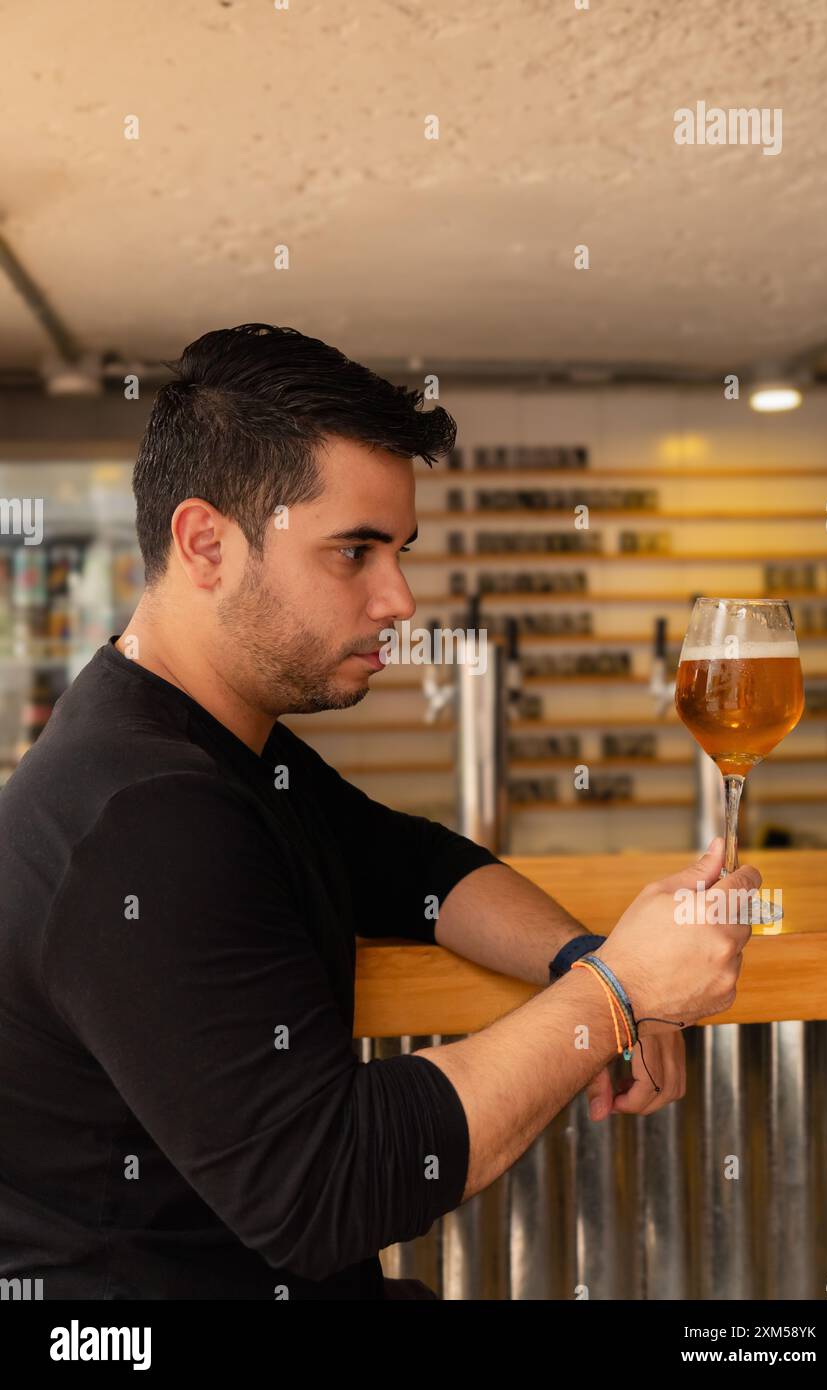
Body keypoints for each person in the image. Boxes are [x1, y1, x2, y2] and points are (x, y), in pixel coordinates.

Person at [0, 325, 759, 1300]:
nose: (399, 596)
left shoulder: (202, 739)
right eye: (351, 553)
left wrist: (577, 958)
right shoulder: (145, 813)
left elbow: (408, 865)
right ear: (205, 543)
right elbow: (326, 1189)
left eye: (396, 550)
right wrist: (614, 992)